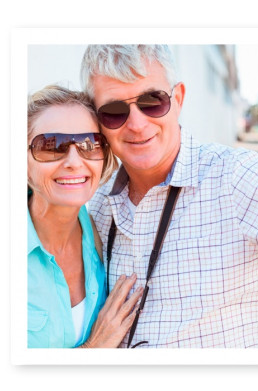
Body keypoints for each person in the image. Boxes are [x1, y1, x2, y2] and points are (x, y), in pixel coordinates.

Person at [81, 45, 258, 348]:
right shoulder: (96, 207)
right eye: (114, 112)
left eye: (152, 101)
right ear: (98, 123)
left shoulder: (238, 177)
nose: (137, 125)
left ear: (177, 99)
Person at [27, 85, 144, 348]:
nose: (74, 161)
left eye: (89, 145)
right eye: (51, 145)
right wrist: (93, 349)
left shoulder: (102, 234)